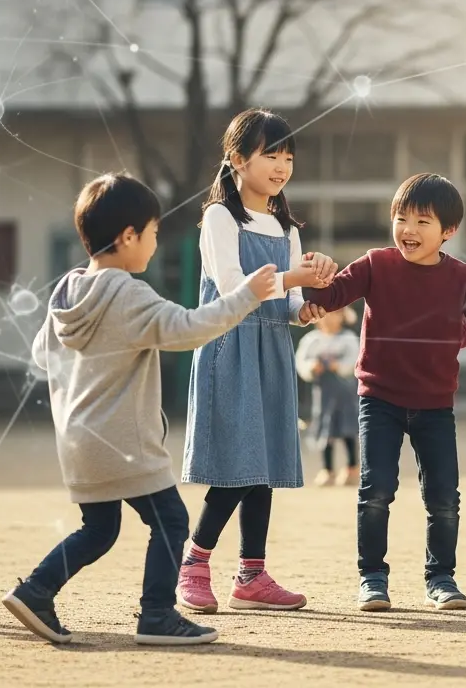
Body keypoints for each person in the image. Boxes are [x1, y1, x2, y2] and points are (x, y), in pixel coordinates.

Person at [2, 173, 276, 646]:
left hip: (79, 441)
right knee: (170, 521)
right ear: (128, 236)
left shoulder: (67, 292)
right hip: (124, 443)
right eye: (151, 234)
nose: (153, 244)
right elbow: (189, 328)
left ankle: (37, 590)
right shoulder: (127, 293)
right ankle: (157, 615)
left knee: (100, 528)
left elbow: (42, 357)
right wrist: (247, 295)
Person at [303, 173, 466, 612]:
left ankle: (441, 578)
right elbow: (329, 296)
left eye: (423, 221)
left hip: (435, 403)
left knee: (443, 496)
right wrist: (311, 274)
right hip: (378, 398)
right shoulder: (375, 264)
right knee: (376, 489)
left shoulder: (460, 277)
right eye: (402, 218)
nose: (409, 230)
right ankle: (373, 579)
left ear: (448, 231)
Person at [177, 109, 335, 615]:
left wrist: (306, 307)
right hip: (230, 345)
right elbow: (231, 288)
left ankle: (252, 573)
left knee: (262, 464)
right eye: (271, 154)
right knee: (239, 464)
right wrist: (294, 281)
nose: (282, 166)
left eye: (288, 156)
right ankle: (194, 563)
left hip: (270, 349)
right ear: (237, 159)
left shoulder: (286, 225)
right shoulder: (220, 218)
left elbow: (284, 307)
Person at [295, 307, 360, 487]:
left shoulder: (348, 338)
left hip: (345, 394)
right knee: (325, 432)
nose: (330, 318)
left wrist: (337, 366)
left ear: (343, 316)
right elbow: (301, 361)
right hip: (322, 394)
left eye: (335, 314)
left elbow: (355, 360)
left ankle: (352, 468)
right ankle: (328, 470)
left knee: (348, 430)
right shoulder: (311, 340)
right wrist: (312, 367)